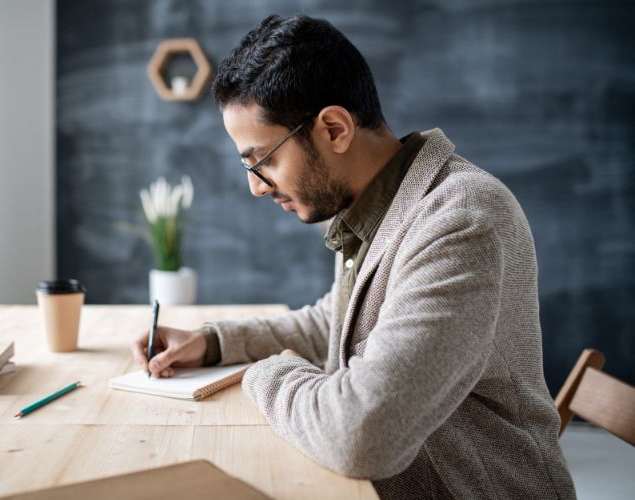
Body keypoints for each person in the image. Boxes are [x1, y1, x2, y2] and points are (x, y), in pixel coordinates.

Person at [131, 14, 575, 499]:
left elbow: (362, 437)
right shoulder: (375, 203)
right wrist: (212, 343)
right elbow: (338, 323)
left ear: (335, 128)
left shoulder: (461, 220)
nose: (255, 186)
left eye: (262, 161)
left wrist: (271, 373)